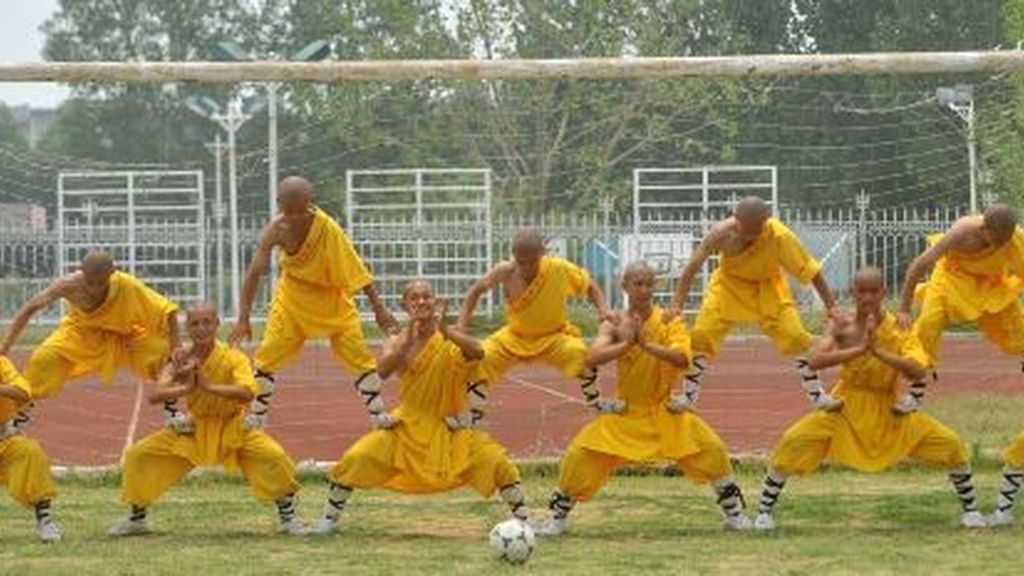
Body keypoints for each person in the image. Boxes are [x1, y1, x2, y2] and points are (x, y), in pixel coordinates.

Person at [752, 268, 986, 530]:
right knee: (793, 442)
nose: (867, 297)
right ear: (853, 293)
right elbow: (815, 360)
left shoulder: (900, 326)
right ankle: (763, 513)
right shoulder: (842, 325)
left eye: (873, 291)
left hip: (889, 408)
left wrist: (880, 354)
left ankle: (971, 511)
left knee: (950, 444)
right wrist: (858, 350)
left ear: (883, 293)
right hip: (846, 406)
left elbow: (918, 370)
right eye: (861, 291)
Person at [531, 261, 750, 536]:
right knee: (579, 455)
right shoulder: (614, 324)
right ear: (625, 286)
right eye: (638, 284)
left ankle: (734, 515)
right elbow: (592, 357)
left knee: (712, 449)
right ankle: (557, 519)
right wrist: (626, 344)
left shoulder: (670, 320)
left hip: (664, 411)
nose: (644, 290)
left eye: (649, 284)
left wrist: (646, 345)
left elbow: (683, 358)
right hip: (627, 413)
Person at [309, 280, 528, 535]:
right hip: (407, 427)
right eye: (415, 298)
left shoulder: (450, 335)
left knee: (496, 461)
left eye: (427, 297)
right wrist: (407, 341)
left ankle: (524, 521)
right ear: (405, 305)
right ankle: (328, 521)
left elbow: (477, 352)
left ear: (434, 302)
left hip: (448, 427)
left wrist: (448, 332)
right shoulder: (397, 341)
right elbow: (381, 371)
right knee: (356, 458)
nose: (421, 302)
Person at [109, 303, 304, 536]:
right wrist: (186, 387)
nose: (201, 329)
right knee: (139, 455)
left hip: (233, 426)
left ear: (217, 325)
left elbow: (247, 392)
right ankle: (137, 519)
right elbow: (156, 394)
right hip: (195, 428)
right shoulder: (180, 359)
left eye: (206, 322)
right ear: (187, 329)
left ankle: (289, 518)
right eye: (194, 324)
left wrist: (209, 386)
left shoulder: (233, 356)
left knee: (273, 457)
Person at [230, 176, 399, 431]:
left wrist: (379, 308)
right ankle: (258, 414)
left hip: (332, 300)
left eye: (301, 211)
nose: (295, 218)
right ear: (279, 205)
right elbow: (255, 272)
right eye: (289, 211)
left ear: (311, 203)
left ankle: (377, 414)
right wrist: (243, 317)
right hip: (292, 300)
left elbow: (355, 268)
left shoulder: (328, 228)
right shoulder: (276, 230)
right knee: (267, 355)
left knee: (358, 355)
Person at [665, 196, 841, 413]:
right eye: (749, 232)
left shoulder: (779, 235)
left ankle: (817, 396)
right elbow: (693, 265)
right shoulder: (721, 233)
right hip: (728, 287)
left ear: (766, 222)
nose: (754, 238)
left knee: (795, 335)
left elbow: (810, 269)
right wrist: (677, 305)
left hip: (768, 288)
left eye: (759, 231)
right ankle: (688, 397)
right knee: (701, 335)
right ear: (736, 222)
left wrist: (831, 307)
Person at [454, 229, 616, 421]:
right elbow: (475, 291)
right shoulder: (505, 271)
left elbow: (590, 286)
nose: (527, 268)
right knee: (481, 358)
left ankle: (595, 402)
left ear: (542, 254)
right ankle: (474, 414)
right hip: (514, 336)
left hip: (553, 336)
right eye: (522, 262)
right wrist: (461, 325)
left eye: (533, 262)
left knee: (581, 354)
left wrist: (603, 309)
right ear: (514, 256)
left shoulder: (558, 268)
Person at [1, 250, 179, 403]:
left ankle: (172, 412)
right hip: (80, 334)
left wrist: (176, 346)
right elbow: (29, 308)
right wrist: (5, 346)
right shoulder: (68, 285)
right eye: (89, 282)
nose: (94, 289)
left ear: (112, 274)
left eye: (100, 283)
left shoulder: (126, 284)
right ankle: (16, 419)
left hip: (123, 336)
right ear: (81, 273)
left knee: (163, 353)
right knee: (43, 360)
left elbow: (167, 309)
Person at [0, 354, 61, 542]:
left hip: (4, 439)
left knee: (30, 452)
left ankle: (45, 519)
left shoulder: (1, 364)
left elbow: (24, 393)